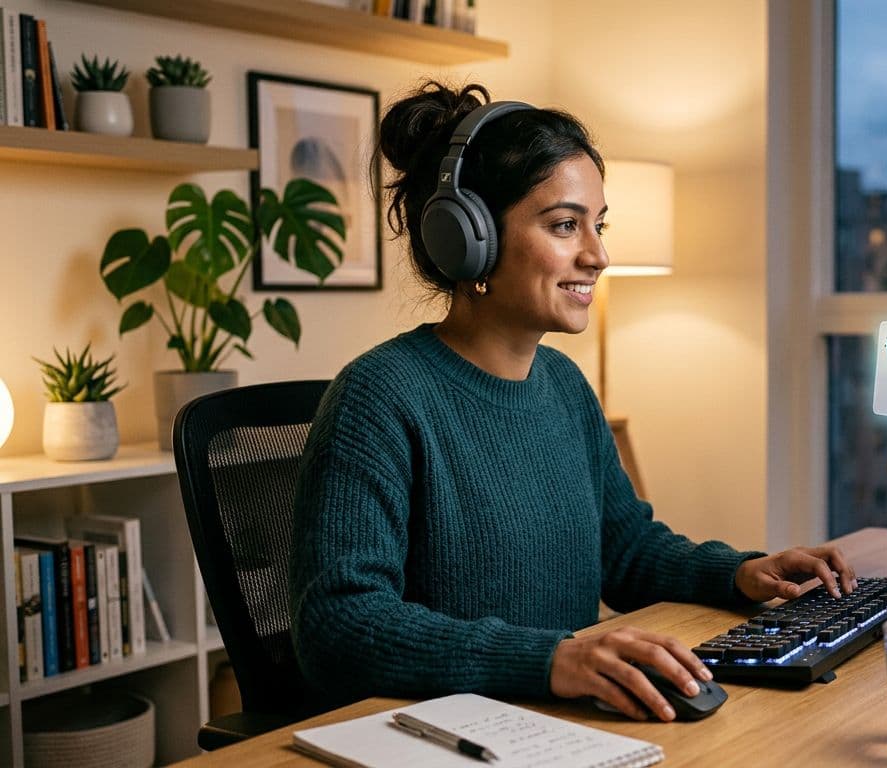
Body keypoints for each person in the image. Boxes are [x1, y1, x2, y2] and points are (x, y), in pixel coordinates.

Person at [289, 81, 857, 723]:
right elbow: (337, 625)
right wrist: (551, 660)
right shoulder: (380, 398)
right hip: (444, 737)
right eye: (565, 225)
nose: (599, 255)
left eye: (599, 225)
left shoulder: (561, 383)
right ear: (467, 236)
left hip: (558, 724)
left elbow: (625, 549)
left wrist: (740, 572)